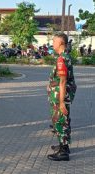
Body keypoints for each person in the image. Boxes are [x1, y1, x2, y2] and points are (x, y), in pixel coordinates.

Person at [47, 33, 77, 161]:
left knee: (60, 121)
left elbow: (63, 81)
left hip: (61, 95)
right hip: (62, 93)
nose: (52, 43)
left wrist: (62, 102)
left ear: (60, 43)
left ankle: (63, 151)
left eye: (54, 41)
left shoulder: (61, 59)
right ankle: (63, 146)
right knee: (64, 120)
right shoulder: (65, 56)